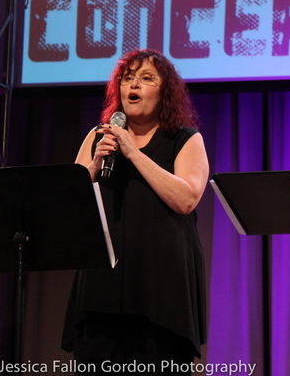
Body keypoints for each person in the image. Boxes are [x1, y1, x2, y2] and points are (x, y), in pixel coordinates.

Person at [62, 49, 209, 374]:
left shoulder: (184, 139)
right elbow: (68, 204)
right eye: (128, 78)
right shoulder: (99, 137)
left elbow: (186, 199)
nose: (135, 84)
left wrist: (134, 152)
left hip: (162, 287)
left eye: (146, 78)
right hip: (102, 286)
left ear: (165, 91)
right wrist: (95, 164)